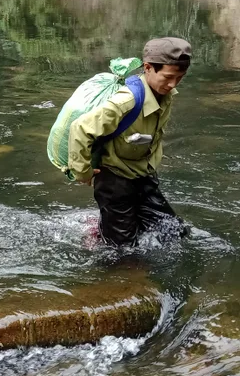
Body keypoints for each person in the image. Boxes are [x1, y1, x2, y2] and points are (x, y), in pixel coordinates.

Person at [68, 37, 192, 247]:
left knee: (174, 231)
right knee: (123, 251)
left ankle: (99, 228)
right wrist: (82, 172)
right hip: (115, 182)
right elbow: (79, 128)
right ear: (148, 68)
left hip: (143, 176)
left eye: (179, 78)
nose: (173, 84)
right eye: (168, 77)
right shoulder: (127, 100)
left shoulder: (164, 93)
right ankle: (98, 239)